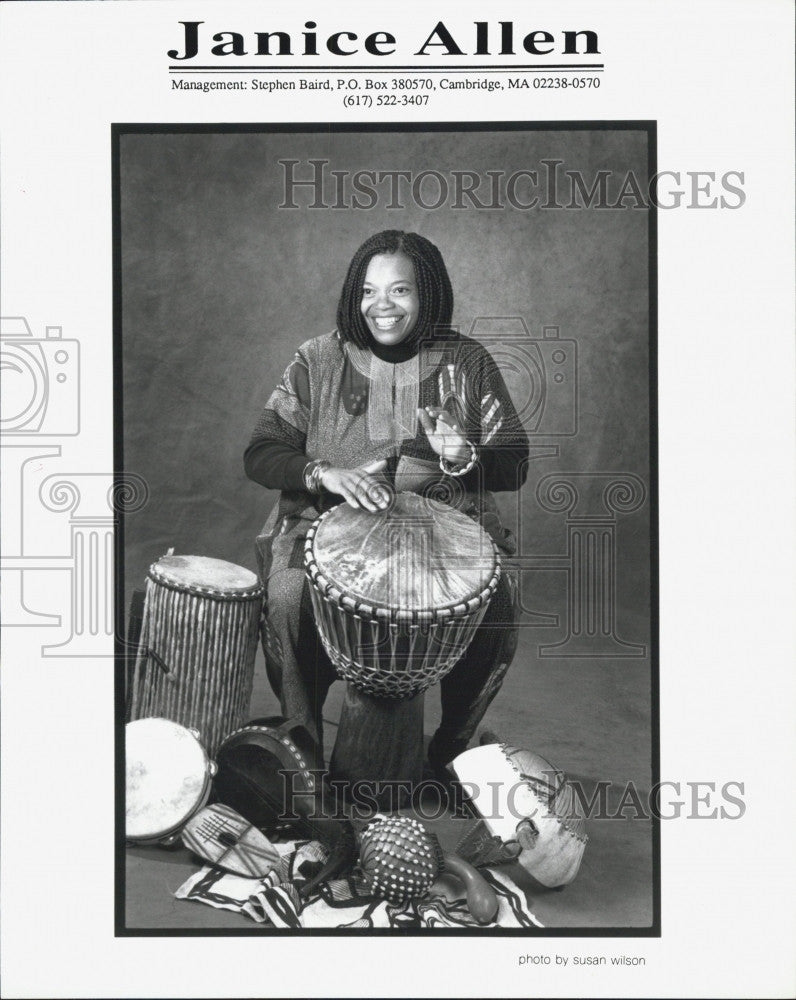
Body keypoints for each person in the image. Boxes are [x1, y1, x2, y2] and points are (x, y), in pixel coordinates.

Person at [244, 230, 529, 773]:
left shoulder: (466, 362)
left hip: (441, 547)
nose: (382, 305)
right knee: (285, 597)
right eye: (369, 291)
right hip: (324, 531)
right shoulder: (317, 359)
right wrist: (323, 472)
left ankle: (449, 753)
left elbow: (515, 461)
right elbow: (260, 452)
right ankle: (303, 752)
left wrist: (465, 454)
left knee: (499, 607)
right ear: (356, 295)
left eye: (400, 291)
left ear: (428, 296)